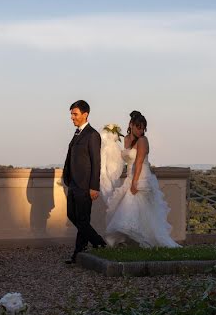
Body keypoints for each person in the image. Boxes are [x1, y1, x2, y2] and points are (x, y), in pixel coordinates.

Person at [100, 110, 181, 248]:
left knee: (133, 208)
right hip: (130, 177)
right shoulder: (126, 139)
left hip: (141, 176)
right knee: (133, 210)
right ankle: (131, 241)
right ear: (131, 125)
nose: (141, 130)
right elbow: (124, 158)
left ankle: (144, 240)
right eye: (138, 127)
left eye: (143, 128)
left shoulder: (143, 141)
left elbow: (138, 162)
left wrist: (135, 182)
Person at [61, 100, 107, 264]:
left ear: (85, 114)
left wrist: (94, 187)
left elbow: (96, 162)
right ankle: (95, 244)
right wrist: (66, 177)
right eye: (71, 114)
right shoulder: (77, 133)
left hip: (86, 186)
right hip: (73, 184)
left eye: (75, 114)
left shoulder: (92, 135)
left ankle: (84, 250)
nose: (72, 117)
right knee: (73, 216)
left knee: (82, 219)